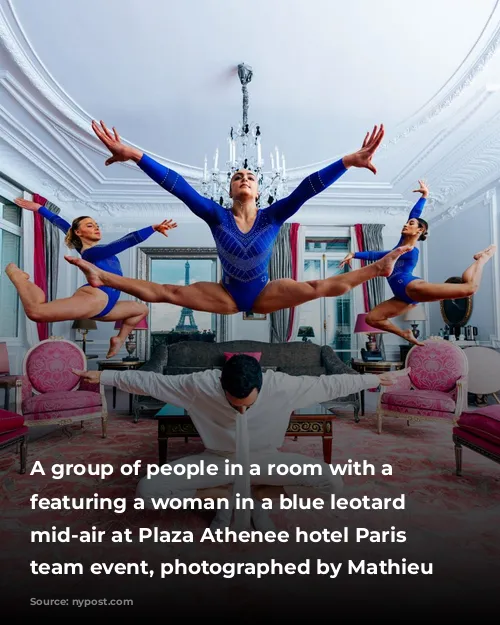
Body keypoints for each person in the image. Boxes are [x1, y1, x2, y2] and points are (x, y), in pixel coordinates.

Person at [65, 121, 412, 315]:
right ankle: (102, 277)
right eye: (236, 177)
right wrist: (136, 156)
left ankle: (376, 268)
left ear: (260, 190)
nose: (244, 178)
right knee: (168, 291)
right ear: (228, 190)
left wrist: (347, 162)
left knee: (316, 287)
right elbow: (179, 186)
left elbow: (307, 189)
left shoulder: (274, 215)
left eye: (250, 177)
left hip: (263, 291)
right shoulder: (215, 215)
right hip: (228, 294)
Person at [75, 354, 407, 531]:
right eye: (235, 403)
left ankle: (243, 497)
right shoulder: (199, 385)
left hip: (265, 458)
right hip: (216, 460)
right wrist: (104, 376)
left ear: (262, 385)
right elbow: (148, 381)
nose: (242, 409)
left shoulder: (283, 385)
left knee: (331, 483)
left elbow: (332, 384)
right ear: (222, 386)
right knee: (148, 492)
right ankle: (240, 498)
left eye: (248, 403)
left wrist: (373, 379)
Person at [6, 199, 176, 358]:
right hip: (95, 297)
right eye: (90, 225)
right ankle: (19, 277)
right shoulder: (92, 253)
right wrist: (151, 228)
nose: (96, 228)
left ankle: (118, 339)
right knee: (36, 312)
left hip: (108, 306)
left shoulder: (89, 248)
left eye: (96, 225)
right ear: (79, 232)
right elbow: (123, 242)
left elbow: (61, 223)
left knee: (141, 309)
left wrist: (39, 208)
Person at [340, 180, 496, 345]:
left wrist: (425, 196)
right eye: (407, 223)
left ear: (420, 230)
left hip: (412, 287)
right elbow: (378, 254)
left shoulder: (410, 249)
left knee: (470, 288)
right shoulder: (400, 244)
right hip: (401, 296)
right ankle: (405, 333)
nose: (407, 224)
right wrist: (354, 254)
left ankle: (483, 259)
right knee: (372, 318)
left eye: (411, 223)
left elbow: (413, 216)